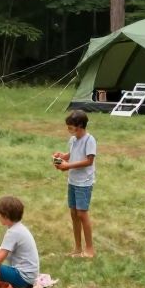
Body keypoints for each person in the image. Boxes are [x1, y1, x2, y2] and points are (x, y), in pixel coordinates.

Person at [52, 109, 96, 257]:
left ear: (80, 126)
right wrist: (62, 157)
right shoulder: (73, 140)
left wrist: (67, 166)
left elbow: (89, 161)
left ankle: (89, 249)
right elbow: (71, 155)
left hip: (84, 182)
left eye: (71, 127)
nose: (68, 129)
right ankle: (77, 248)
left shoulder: (90, 140)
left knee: (82, 214)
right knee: (73, 213)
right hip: (73, 181)